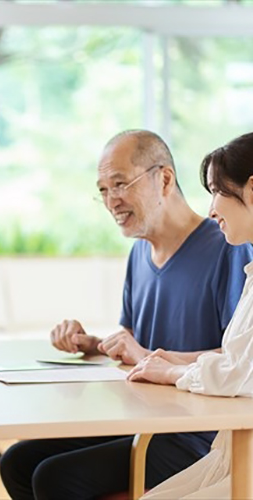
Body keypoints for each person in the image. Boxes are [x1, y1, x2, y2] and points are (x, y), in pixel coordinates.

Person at [0, 130, 253, 500]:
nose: (111, 201)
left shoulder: (230, 248)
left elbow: (239, 363)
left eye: (120, 184)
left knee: (55, 477)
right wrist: (95, 344)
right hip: (146, 416)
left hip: (196, 431)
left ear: (164, 179)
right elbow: (136, 345)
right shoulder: (139, 255)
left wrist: (155, 362)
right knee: (19, 461)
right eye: (102, 190)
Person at [127, 132, 253, 500]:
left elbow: (240, 376)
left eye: (217, 191)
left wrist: (173, 372)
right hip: (232, 451)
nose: (212, 209)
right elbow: (240, 361)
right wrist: (176, 361)